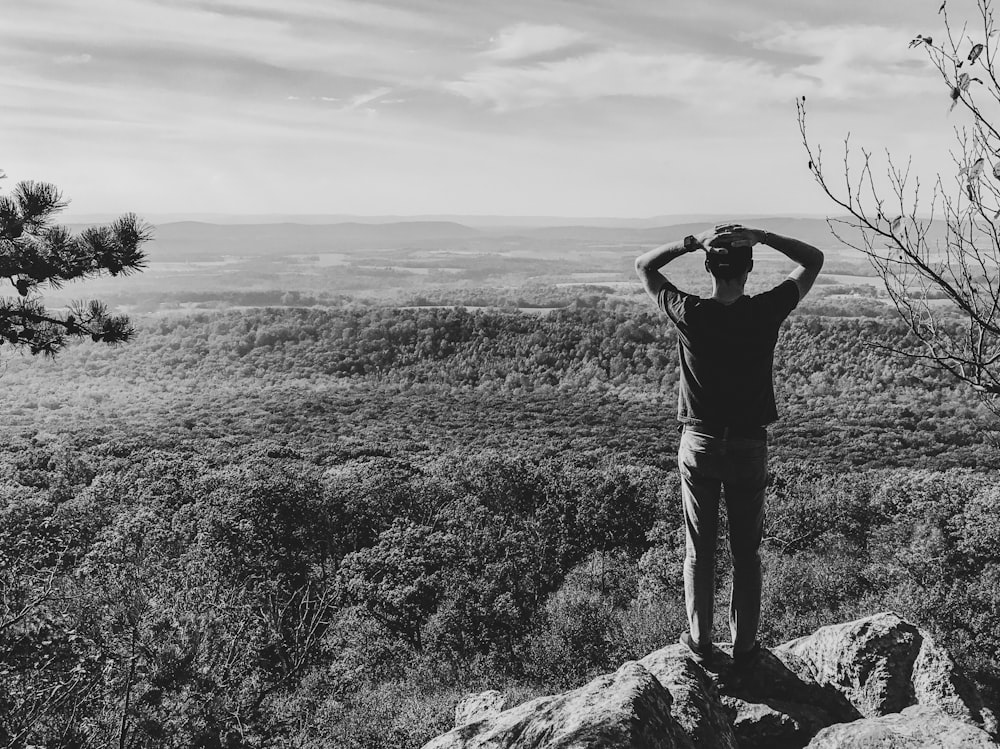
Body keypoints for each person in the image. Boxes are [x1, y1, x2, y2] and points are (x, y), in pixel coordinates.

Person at [634, 223, 824, 667]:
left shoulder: (690, 312)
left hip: (698, 442)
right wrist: (764, 235)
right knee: (746, 553)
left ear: (707, 267)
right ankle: (745, 649)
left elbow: (644, 265)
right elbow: (813, 260)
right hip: (747, 446)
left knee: (700, 549)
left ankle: (700, 645)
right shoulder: (764, 311)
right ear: (749, 268)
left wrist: (691, 241)